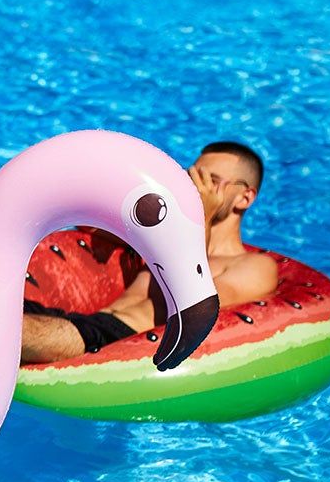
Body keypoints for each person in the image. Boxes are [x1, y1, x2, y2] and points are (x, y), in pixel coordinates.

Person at [21, 141, 280, 362]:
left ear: (245, 197)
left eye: (211, 182)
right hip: (80, 323)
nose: (197, 189)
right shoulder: (164, 240)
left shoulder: (255, 266)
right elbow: (87, 224)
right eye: (192, 178)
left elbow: (193, 304)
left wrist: (202, 214)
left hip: (117, 337)